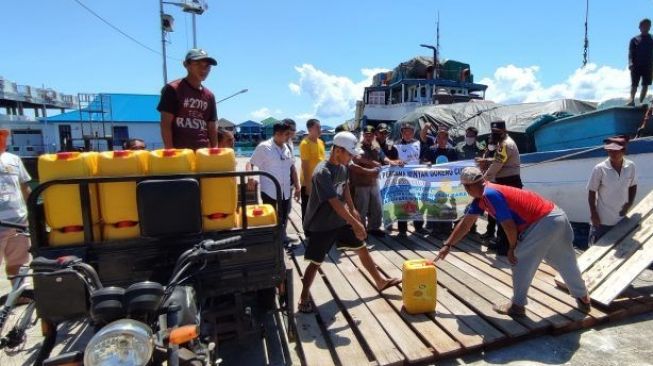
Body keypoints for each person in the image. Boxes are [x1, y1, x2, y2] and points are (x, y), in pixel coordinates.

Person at [435, 167, 592, 316]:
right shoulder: (482, 197)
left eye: (467, 187)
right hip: (557, 216)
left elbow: (509, 227)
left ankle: (517, 306)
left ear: (472, 186)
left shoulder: (490, 195)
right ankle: (582, 296)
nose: (466, 191)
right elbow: (466, 224)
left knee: (519, 259)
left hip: (542, 222)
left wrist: (512, 248)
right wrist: (448, 244)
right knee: (564, 260)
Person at [298, 132, 401, 313]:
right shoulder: (322, 172)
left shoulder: (344, 167)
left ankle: (380, 281)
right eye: (349, 153)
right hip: (321, 224)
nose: (352, 157)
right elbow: (334, 203)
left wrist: (353, 210)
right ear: (337, 150)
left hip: (341, 219)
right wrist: (355, 223)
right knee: (315, 262)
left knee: (361, 247)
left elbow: (345, 190)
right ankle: (303, 296)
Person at [158, 48, 218, 150]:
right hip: (180, 153)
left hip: (203, 152)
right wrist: (170, 150)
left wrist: (215, 150)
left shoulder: (209, 96)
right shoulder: (173, 89)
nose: (203, 69)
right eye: (198, 64)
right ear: (186, 65)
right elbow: (165, 124)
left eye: (207, 66)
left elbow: (212, 126)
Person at [247, 122, 296, 243]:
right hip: (269, 190)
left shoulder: (287, 147)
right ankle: (271, 240)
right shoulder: (264, 147)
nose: (289, 137)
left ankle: (282, 237)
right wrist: (250, 177)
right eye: (286, 134)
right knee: (270, 216)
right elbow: (250, 163)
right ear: (278, 134)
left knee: (284, 215)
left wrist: (297, 185)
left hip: (285, 190)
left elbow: (291, 166)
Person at [351, 125, 401, 237]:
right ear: (363, 135)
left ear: (374, 136)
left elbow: (384, 158)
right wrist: (373, 163)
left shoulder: (376, 146)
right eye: (366, 135)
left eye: (371, 135)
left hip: (375, 182)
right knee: (361, 208)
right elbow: (357, 158)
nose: (368, 137)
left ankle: (374, 227)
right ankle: (361, 230)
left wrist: (394, 162)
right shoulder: (358, 146)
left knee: (376, 207)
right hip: (361, 182)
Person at [587, 136, 638, 244]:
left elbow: (633, 186)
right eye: (609, 151)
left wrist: (629, 204)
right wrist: (594, 214)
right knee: (596, 251)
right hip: (602, 222)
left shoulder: (631, 166)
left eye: (615, 151)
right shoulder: (600, 168)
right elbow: (591, 192)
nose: (612, 154)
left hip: (620, 219)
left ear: (623, 151)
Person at [483, 120, 522, 255]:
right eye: (493, 131)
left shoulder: (505, 145)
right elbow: (498, 161)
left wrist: (483, 180)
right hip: (505, 182)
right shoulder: (503, 143)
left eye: (497, 132)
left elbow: (496, 165)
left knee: (506, 215)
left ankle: (506, 245)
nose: (494, 134)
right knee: (503, 213)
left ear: (504, 131)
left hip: (509, 183)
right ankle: (502, 240)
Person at [0, 128, 32, 285]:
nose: (3, 139)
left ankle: (18, 294)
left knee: (17, 262)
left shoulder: (14, 159)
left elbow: (24, 186)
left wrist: (33, 211)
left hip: (18, 221)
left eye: (4, 136)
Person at [395, 122, 425, 234]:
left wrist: (425, 162)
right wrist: (397, 162)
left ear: (413, 133)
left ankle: (419, 227)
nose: (408, 134)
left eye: (410, 132)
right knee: (402, 203)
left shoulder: (417, 143)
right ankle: (402, 230)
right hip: (401, 179)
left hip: (415, 178)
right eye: (405, 132)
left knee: (416, 203)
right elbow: (391, 160)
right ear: (402, 133)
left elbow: (420, 158)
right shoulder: (396, 145)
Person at [299, 119, 326, 218]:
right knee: (307, 209)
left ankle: (316, 230)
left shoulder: (321, 142)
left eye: (320, 127)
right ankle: (307, 232)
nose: (320, 129)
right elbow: (305, 166)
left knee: (319, 209)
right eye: (317, 127)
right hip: (309, 183)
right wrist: (308, 186)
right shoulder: (305, 144)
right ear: (310, 129)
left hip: (320, 182)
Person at [628, 18, 653, 106]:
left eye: (648, 25)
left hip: (649, 65)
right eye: (644, 25)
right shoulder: (634, 40)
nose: (646, 27)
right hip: (636, 65)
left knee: (645, 84)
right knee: (634, 84)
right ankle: (631, 100)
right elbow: (631, 53)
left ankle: (641, 102)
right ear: (640, 27)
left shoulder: (651, 39)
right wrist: (630, 63)